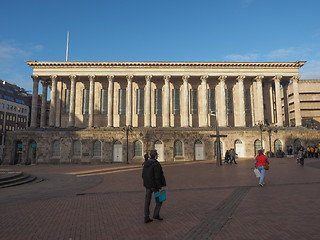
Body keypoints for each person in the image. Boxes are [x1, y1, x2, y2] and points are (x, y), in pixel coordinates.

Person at [142, 149, 166, 223]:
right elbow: (158, 177)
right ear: (155, 156)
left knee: (147, 201)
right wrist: (160, 187)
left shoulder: (146, 164)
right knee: (159, 200)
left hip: (148, 185)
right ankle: (156, 214)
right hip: (155, 186)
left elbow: (143, 175)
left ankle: (146, 217)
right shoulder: (156, 164)